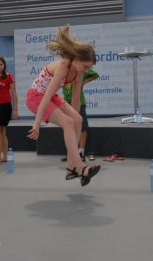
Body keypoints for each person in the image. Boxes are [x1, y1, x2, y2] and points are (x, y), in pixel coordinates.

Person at [26, 24, 100, 186]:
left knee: (77, 120)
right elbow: (45, 94)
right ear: (76, 59)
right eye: (85, 66)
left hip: (51, 97)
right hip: (36, 97)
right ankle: (80, 168)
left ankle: (70, 167)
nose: (86, 70)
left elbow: (75, 101)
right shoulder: (63, 67)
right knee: (68, 122)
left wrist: (74, 121)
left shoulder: (79, 72)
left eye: (89, 68)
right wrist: (37, 123)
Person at [60, 69, 99, 162]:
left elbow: (95, 74)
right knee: (69, 127)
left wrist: (83, 82)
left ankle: (81, 152)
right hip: (66, 102)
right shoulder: (62, 72)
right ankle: (71, 153)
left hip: (79, 102)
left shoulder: (78, 70)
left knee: (82, 127)